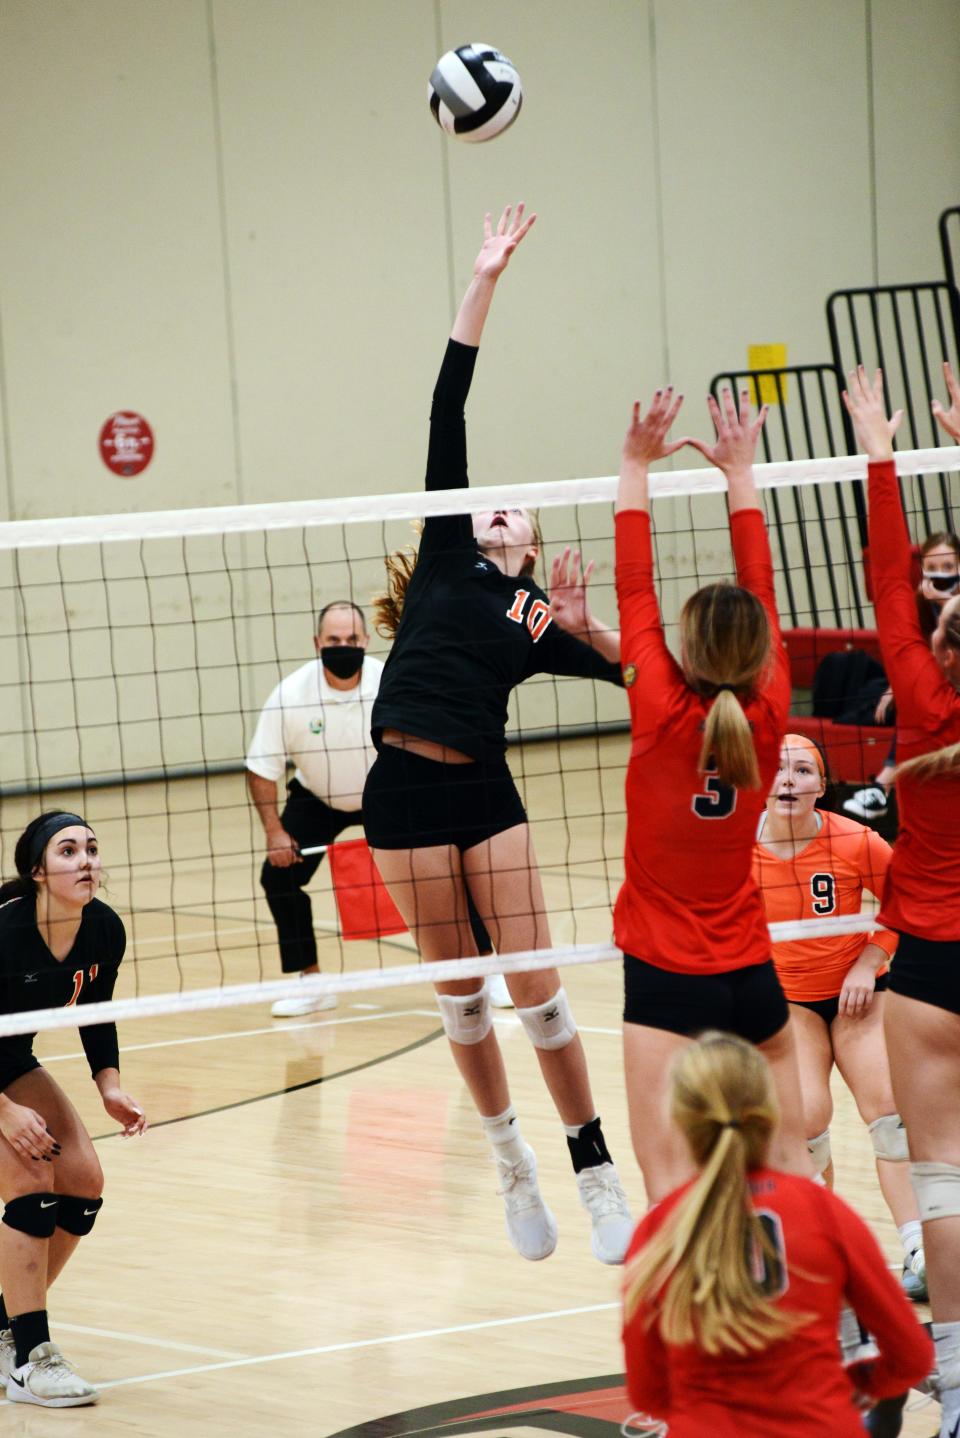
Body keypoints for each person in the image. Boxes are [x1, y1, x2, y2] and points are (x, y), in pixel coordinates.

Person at [363, 204, 633, 1265]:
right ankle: (509, 1155)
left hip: (483, 791)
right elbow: (448, 401)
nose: (497, 513)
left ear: (530, 542)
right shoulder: (441, 554)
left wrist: (584, 623)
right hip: (400, 793)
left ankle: (593, 1163)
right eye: (490, 507)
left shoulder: (532, 618)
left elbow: (638, 670)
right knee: (462, 996)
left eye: (514, 513)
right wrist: (484, 277)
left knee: (538, 987)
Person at [611, 385, 808, 1202]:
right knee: (791, 1169)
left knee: (669, 1181)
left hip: (664, 976)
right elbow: (758, 589)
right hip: (752, 973)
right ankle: (826, 1318)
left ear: (685, 649)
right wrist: (741, 474)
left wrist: (633, 462)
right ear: (761, 651)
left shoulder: (659, 707)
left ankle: (690, 1325)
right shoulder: (770, 709)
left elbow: (632, 588)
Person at [621, 1031, 933, 1438]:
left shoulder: (661, 1226)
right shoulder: (821, 1211)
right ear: (771, 1111)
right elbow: (911, 1355)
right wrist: (857, 1391)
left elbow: (646, 1393)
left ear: (679, 1119)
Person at [842, 361, 960, 1438]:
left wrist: (883, 450)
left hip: (926, 962)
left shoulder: (920, 703)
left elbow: (888, 578)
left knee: (942, 1183)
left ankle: (959, 1391)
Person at [246, 600, 506, 1015]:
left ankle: (487, 971)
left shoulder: (392, 680)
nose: (343, 646)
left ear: (366, 641)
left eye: (351, 639)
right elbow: (261, 769)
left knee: (452, 864)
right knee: (277, 877)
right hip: (319, 797)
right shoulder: (290, 694)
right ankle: (310, 981)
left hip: (390, 790)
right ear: (318, 643)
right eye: (334, 640)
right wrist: (275, 832)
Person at [753, 734, 926, 1299]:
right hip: (789, 1003)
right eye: (778, 770)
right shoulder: (733, 850)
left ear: (821, 788)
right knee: (804, 1122)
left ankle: (920, 1249)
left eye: (803, 771)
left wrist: (870, 960)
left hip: (860, 995)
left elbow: (908, 901)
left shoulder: (856, 840)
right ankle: (819, 1248)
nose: (788, 780)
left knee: (890, 1115)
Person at [0, 812, 146, 1407]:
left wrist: (109, 1085)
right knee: (31, 1176)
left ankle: (5, 1322)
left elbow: (96, 1007)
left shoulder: (102, 929)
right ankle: (31, 1358)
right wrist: (4, 1111)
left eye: (90, 848)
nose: (86, 860)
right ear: (38, 871)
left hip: (7, 1058)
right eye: (67, 851)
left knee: (82, 1180)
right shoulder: (4, 933)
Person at [844, 529, 960, 822]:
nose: (941, 574)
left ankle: (882, 785)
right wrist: (897, 687)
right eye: (933, 567)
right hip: (937, 692)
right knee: (911, 706)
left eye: (948, 567)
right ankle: (881, 790)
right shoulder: (920, 604)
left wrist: (949, 604)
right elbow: (916, 655)